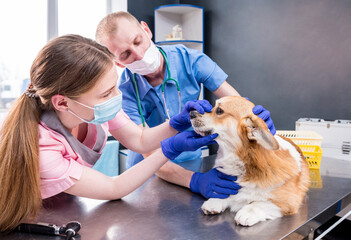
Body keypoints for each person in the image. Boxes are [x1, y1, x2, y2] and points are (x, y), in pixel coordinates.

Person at [0, 34, 220, 232]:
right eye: (107, 93)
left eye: (114, 86)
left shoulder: (91, 108)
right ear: (63, 102)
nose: (117, 96)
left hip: (67, 206)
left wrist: (176, 123)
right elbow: (114, 188)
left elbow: (140, 139)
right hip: (32, 222)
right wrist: (170, 149)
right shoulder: (43, 148)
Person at [96, 12, 276, 199]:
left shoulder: (190, 60)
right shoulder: (123, 93)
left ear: (146, 30)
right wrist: (195, 181)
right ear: (118, 62)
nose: (139, 54)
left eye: (137, 41)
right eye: (126, 54)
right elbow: (148, 152)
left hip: (191, 160)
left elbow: (236, 104)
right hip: (148, 173)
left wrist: (253, 119)